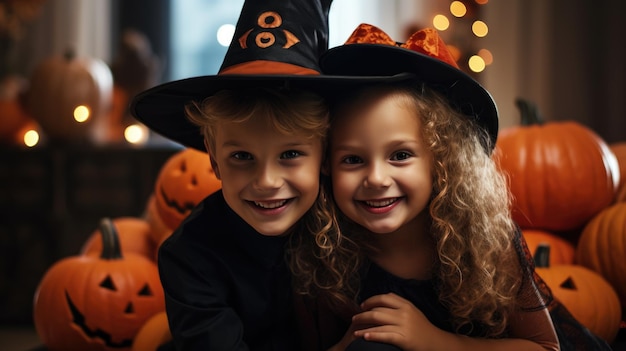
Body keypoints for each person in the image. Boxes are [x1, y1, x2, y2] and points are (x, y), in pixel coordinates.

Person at [296, 23, 612, 351]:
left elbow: (546, 348)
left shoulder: (484, 239)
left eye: (400, 155)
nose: (376, 178)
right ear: (326, 166)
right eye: (352, 160)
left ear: (440, 161)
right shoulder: (324, 248)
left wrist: (436, 341)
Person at [128, 0, 382, 349]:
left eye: (290, 154)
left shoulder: (353, 225)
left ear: (324, 155)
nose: (266, 181)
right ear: (214, 161)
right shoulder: (189, 257)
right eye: (242, 156)